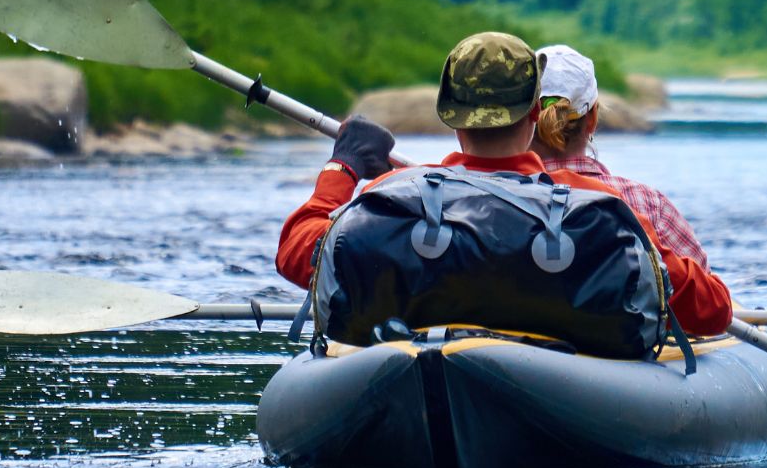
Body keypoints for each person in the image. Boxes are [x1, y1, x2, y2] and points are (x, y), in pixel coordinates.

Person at [275, 32, 735, 337]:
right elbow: (712, 310)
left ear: (448, 114)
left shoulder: (399, 193)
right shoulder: (601, 205)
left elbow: (299, 256)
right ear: (534, 111)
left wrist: (343, 168)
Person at [530, 44, 711, 269]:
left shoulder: (491, 203)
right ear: (593, 119)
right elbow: (706, 294)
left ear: (525, 119)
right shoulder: (649, 206)